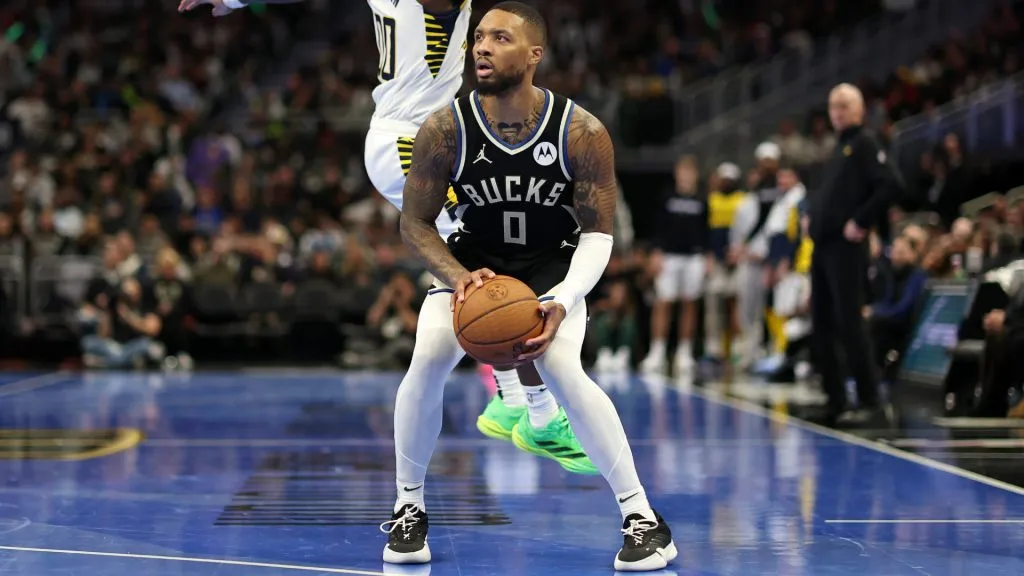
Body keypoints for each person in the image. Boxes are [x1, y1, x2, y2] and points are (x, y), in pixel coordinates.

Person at [176, 0, 593, 470]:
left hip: (410, 139)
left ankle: (513, 401)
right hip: (410, 141)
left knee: (481, 257)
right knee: (497, 250)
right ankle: (536, 415)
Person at [390, 3, 675, 570]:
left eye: (500, 37)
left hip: (550, 271)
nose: (481, 48)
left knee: (565, 371)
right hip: (473, 268)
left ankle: (643, 519)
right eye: (477, 38)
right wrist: (456, 277)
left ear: (534, 54)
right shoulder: (445, 128)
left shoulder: (582, 131)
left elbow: (599, 235)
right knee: (426, 359)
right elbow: (415, 222)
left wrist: (563, 301)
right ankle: (408, 507)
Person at [806, 83, 903, 426]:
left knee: (850, 323)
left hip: (846, 249)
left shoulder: (865, 142)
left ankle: (872, 401)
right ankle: (836, 399)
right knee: (822, 323)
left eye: (844, 105)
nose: (837, 112)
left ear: (860, 109)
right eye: (833, 106)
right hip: (823, 247)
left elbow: (891, 184)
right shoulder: (841, 147)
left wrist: (861, 222)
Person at [640, 156, 710, 375]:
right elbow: (657, 227)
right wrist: (655, 253)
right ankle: (657, 351)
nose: (687, 175)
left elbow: (707, 230)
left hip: (694, 258)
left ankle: (684, 352)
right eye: (683, 171)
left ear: (696, 175)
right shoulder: (667, 197)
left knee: (690, 304)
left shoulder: (702, 199)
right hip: (669, 257)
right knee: (664, 302)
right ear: (678, 173)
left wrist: (708, 256)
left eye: (691, 171)